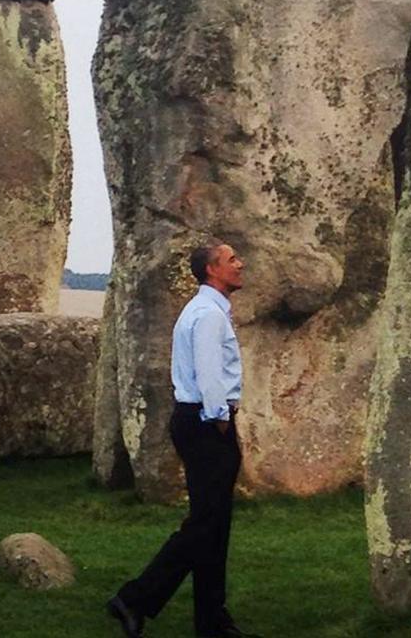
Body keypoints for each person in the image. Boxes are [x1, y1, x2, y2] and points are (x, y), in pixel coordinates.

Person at [107, 243, 259, 638]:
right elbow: (209, 376)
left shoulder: (206, 311)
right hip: (206, 423)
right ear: (212, 270)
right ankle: (135, 598)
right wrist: (220, 418)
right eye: (231, 260)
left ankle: (212, 620)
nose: (240, 264)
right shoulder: (208, 316)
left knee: (214, 524)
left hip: (200, 422)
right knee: (205, 525)